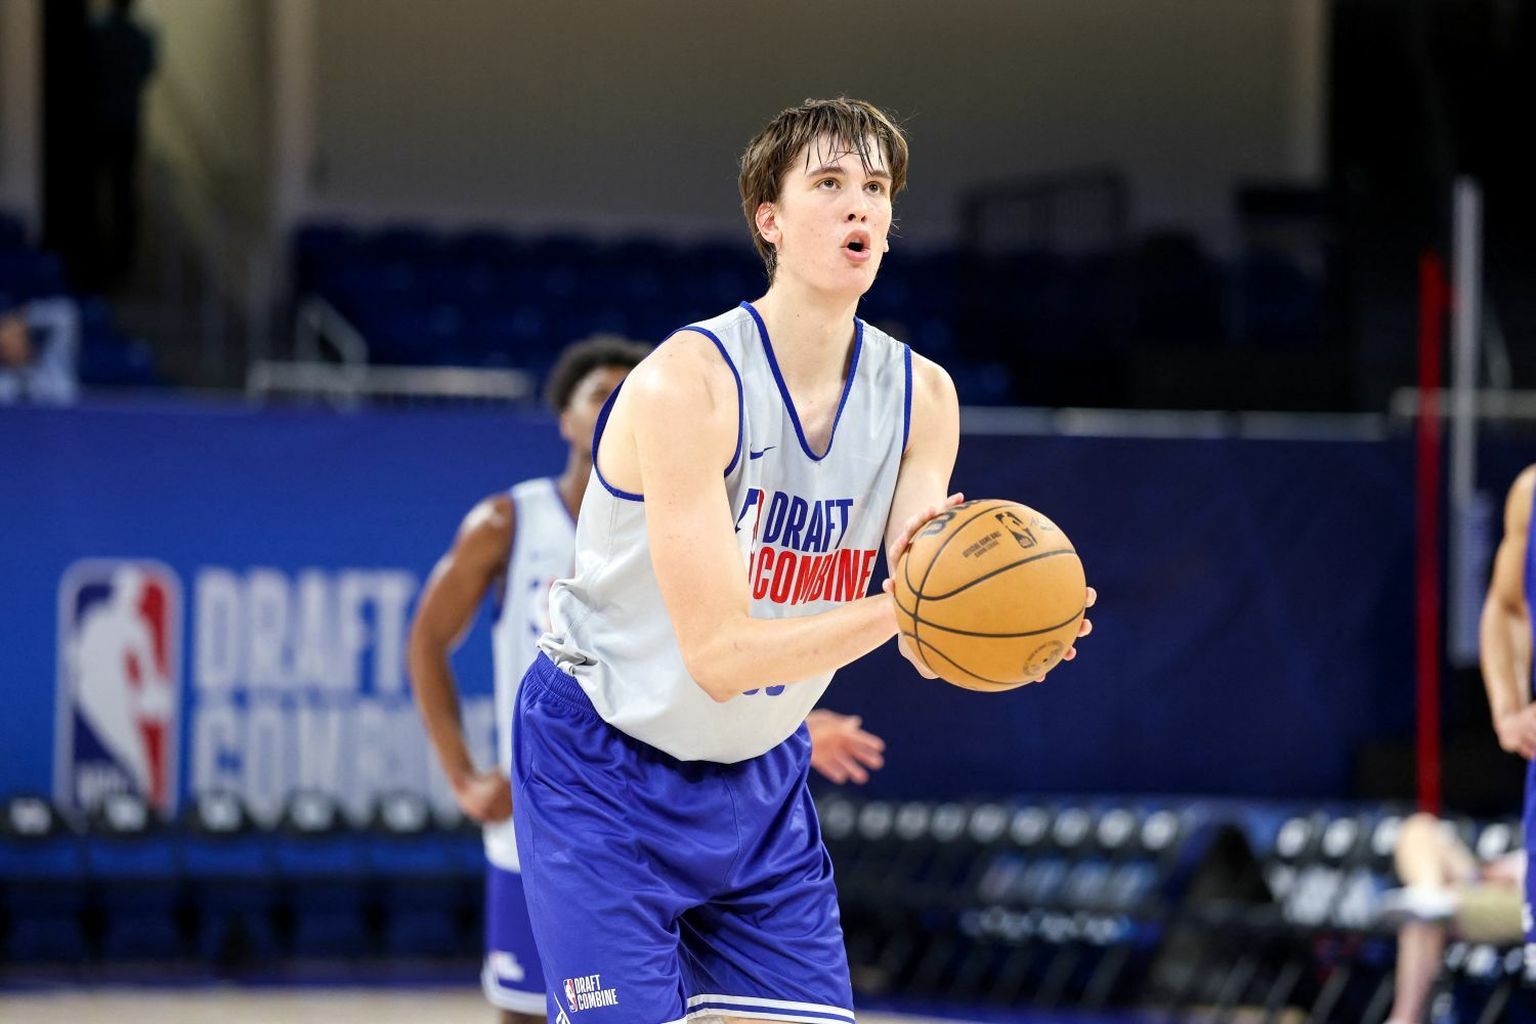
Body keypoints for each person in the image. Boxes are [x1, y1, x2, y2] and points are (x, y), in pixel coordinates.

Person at [512, 98, 1094, 1024]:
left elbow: (922, 616)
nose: (859, 204)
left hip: (759, 777)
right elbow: (720, 656)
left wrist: (1007, 628)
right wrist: (914, 607)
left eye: (876, 187)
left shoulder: (923, 397)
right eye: (828, 183)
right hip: (604, 761)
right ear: (770, 221)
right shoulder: (686, 385)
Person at [407, 336, 891, 1024]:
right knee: (528, 1012)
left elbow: (700, 658)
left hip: (672, 788)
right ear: (566, 420)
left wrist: (795, 722)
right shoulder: (509, 522)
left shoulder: (701, 519)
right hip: (563, 785)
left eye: (627, 389)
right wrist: (461, 774)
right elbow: (426, 640)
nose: (617, 402)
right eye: (598, 393)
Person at [1376, 813, 1524, 1024]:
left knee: (1423, 917)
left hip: (1523, 897)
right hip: (1495, 879)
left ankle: (1404, 1019)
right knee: (1418, 829)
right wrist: (1498, 870)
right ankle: (1429, 893)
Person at [90, 0, 158, 281]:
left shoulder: (99, 33)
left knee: (112, 191)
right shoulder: (139, 37)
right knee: (122, 191)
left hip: (106, 121)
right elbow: (146, 71)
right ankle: (118, 260)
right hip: (122, 122)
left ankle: (108, 259)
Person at [0, 295, 81, 404]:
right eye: (5, 343)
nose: (14, 345)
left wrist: (21, 317)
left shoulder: (55, 367)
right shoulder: (3, 383)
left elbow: (65, 314)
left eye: (19, 337)